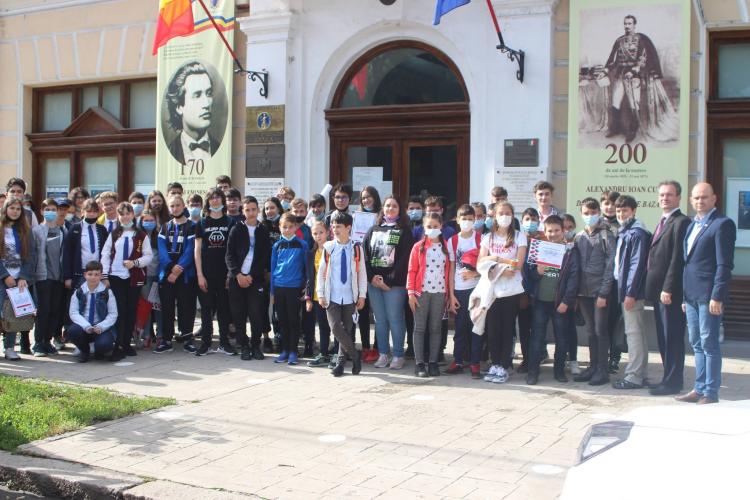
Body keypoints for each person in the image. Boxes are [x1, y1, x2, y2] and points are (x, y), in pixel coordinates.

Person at [676, 183, 736, 404]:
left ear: (714, 199)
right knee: (696, 343)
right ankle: (699, 388)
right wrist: (685, 297)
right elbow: (688, 264)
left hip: (709, 296)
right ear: (691, 200)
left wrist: (717, 296)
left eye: (704, 197)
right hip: (691, 295)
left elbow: (724, 264)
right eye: (696, 198)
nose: (700, 201)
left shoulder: (722, 224)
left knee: (709, 343)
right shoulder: (692, 225)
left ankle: (710, 392)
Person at [601, 15, 677, 143]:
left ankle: (633, 130)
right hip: (620, 74)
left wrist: (634, 70)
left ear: (634, 25)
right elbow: (613, 60)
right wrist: (605, 71)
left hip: (634, 75)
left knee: (634, 103)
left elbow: (643, 59)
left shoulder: (641, 40)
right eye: (625, 23)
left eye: (629, 23)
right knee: (615, 101)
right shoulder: (619, 41)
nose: (627, 26)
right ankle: (616, 128)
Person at [645, 180, 690, 396]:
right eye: (662, 195)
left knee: (672, 337)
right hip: (659, 292)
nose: (665, 198)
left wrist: (668, 288)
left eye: (669, 194)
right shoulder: (663, 221)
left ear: (678, 197)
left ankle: (673, 382)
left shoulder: (681, 222)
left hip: (669, 293)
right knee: (663, 337)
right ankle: (667, 378)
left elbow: (676, 259)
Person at [477, 201, 527, 383]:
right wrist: (500, 262)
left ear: (512, 216)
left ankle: (505, 365)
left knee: (507, 327)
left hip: (511, 290)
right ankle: (495, 363)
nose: (504, 216)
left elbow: (517, 265)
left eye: (508, 213)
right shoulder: (487, 238)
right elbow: (480, 263)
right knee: (492, 328)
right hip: (491, 289)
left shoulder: (520, 237)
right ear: (495, 217)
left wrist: (495, 261)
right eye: (501, 213)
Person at [526, 215, 580, 385]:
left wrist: (566, 301)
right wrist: (537, 272)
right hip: (540, 302)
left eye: (557, 230)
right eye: (550, 231)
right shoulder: (537, 248)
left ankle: (559, 371)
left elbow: (574, 278)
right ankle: (533, 372)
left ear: (563, 231)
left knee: (562, 338)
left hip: (560, 303)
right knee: (537, 338)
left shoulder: (570, 252)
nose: (553, 234)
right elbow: (529, 275)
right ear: (545, 231)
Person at [316, 211, 367, 377]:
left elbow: (362, 274)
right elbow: (321, 273)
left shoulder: (356, 248)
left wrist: (362, 295)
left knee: (347, 330)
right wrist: (320, 293)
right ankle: (355, 356)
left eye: (338, 226)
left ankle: (340, 364)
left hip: (350, 297)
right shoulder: (329, 248)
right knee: (336, 327)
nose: (335, 230)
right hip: (333, 296)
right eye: (333, 226)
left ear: (348, 228)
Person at [101, 202, 152, 359]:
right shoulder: (114, 234)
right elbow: (105, 254)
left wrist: (135, 263)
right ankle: (117, 343)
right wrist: (104, 276)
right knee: (119, 310)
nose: (125, 217)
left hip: (133, 277)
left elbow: (148, 256)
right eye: (121, 214)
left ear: (133, 215)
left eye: (127, 213)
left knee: (131, 310)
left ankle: (126, 344)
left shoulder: (141, 235)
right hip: (116, 277)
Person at [573, 198, 616, 385]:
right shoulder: (579, 236)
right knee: (590, 331)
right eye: (586, 213)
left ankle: (602, 370)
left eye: (593, 212)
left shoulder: (607, 235)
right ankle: (592, 367)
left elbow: (610, 265)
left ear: (599, 212)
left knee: (600, 331)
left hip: (600, 293)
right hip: (583, 293)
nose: (589, 216)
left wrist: (604, 293)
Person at [611, 195, 651, 390]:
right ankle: (640, 373)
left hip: (631, 292)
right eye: (618, 211)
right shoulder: (625, 231)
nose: (621, 214)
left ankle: (634, 376)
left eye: (625, 210)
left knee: (633, 333)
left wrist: (630, 293)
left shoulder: (637, 233)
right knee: (637, 332)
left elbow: (637, 265)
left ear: (634, 211)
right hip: (626, 289)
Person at [226, 196, 272, 361]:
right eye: (247, 210)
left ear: (258, 210)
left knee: (256, 314)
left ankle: (255, 346)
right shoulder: (236, 229)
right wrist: (238, 274)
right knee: (239, 315)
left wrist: (251, 275)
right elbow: (229, 255)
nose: (251, 213)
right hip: (237, 279)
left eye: (253, 209)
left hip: (255, 279)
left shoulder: (263, 230)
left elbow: (264, 257)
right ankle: (244, 346)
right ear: (243, 211)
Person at [407, 212, 453, 378]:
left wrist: (449, 294)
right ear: (424, 228)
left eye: (435, 226)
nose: (432, 229)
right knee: (419, 328)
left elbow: (450, 271)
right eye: (429, 226)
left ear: (441, 226)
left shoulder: (446, 247)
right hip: (421, 293)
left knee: (435, 328)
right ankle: (419, 363)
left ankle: (433, 362)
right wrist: (411, 293)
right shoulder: (418, 247)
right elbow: (412, 270)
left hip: (440, 293)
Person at [155, 194, 197, 354]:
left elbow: (191, 250)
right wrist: (171, 268)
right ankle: (167, 340)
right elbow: (162, 250)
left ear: (184, 206)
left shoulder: (192, 226)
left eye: (178, 205)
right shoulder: (164, 227)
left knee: (186, 307)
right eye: (172, 206)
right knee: (167, 307)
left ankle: (187, 339)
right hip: (167, 274)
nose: (175, 208)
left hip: (185, 275)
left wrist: (179, 269)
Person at [194, 188, 232, 356]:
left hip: (225, 274)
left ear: (223, 200)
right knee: (206, 310)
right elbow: (197, 251)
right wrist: (200, 275)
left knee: (224, 310)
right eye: (212, 198)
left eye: (218, 197)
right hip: (206, 274)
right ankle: (206, 343)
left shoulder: (230, 222)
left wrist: (230, 274)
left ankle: (224, 343)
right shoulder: (202, 223)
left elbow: (233, 250)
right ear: (208, 202)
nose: (215, 200)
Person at [445, 204, 482, 375]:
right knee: (460, 328)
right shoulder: (452, 241)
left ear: (474, 220)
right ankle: (458, 361)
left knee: (476, 327)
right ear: (458, 220)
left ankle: (475, 363)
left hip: (476, 289)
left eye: (470, 219)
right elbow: (451, 268)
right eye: (464, 219)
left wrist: (475, 273)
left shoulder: (480, 239)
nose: (467, 222)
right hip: (459, 290)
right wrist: (451, 295)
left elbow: (486, 265)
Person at [270, 212, 311, 365]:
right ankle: (285, 350)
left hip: (295, 288)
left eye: (290, 227)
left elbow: (307, 269)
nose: (287, 230)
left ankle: (293, 351)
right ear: (280, 227)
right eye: (284, 227)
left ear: (295, 227)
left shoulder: (302, 244)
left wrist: (306, 288)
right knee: (282, 321)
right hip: (279, 287)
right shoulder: (277, 245)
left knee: (294, 320)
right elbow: (273, 268)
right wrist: (272, 292)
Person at [31, 198, 68, 356]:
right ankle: (38, 343)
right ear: (41, 211)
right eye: (47, 209)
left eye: (54, 210)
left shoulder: (63, 231)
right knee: (43, 310)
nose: (51, 212)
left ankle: (47, 341)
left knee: (54, 311)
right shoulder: (37, 231)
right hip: (43, 277)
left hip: (58, 277)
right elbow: (33, 255)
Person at [166, 61, 220, 165]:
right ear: (179, 107)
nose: (206, 103)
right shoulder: (170, 152)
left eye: (208, 93)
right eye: (197, 95)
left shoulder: (220, 148)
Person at [1, 198, 34, 361]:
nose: (15, 211)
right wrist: (4, 275)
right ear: (5, 209)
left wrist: (23, 277)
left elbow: (30, 256)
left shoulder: (24, 230)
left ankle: (9, 348)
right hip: (2, 278)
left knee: (13, 315)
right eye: (12, 208)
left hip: (18, 279)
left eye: (18, 209)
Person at [66, 261, 118, 362]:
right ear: (85, 275)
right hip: (84, 326)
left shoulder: (107, 292)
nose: (93, 277)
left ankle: (99, 351)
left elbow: (113, 314)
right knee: (72, 331)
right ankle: (84, 350)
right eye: (90, 274)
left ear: (101, 276)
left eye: (96, 274)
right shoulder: (79, 292)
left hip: (101, 327)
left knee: (104, 344)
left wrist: (101, 326)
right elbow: (73, 312)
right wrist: (86, 326)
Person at [517, 207, 545, 374]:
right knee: (524, 329)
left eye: (534, 219)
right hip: (522, 293)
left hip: (540, 293)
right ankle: (527, 360)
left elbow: (537, 271)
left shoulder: (542, 242)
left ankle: (536, 359)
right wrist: (524, 293)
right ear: (522, 222)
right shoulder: (518, 240)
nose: (530, 222)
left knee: (538, 329)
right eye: (527, 219)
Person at [307, 221, 333, 367]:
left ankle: (338, 354)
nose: (318, 236)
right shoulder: (311, 253)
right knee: (323, 326)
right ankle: (323, 353)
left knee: (336, 326)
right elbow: (310, 277)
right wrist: (308, 297)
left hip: (333, 295)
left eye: (321, 232)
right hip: (318, 296)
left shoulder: (333, 250)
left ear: (328, 233)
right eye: (315, 233)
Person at [561, 213, 581, 375]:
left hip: (572, 295)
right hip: (555, 295)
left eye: (570, 227)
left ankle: (573, 359)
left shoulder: (579, 244)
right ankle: (560, 360)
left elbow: (578, 273)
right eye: (564, 228)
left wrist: (574, 297)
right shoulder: (552, 245)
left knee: (570, 328)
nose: (567, 231)